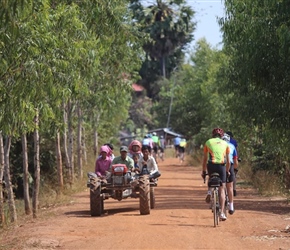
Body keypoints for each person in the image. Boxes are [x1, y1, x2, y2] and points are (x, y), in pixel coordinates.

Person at [201, 128, 230, 221]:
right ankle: (222, 213)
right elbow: (228, 161)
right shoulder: (226, 144)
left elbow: (205, 159)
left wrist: (203, 171)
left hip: (211, 165)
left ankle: (209, 191)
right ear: (221, 136)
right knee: (222, 189)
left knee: (210, 177)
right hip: (221, 166)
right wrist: (227, 171)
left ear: (212, 135)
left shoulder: (208, 142)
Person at [222, 133, 239, 215]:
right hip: (230, 165)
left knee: (221, 186)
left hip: (220, 165)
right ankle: (231, 206)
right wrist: (235, 168)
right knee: (230, 186)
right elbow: (235, 161)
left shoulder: (219, 145)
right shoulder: (232, 146)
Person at [226, 131, 239, 196]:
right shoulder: (234, 142)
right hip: (232, 159)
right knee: (233, 173)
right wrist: (237, 158)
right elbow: (236, 151)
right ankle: (234, 189)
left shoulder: (222, 142)